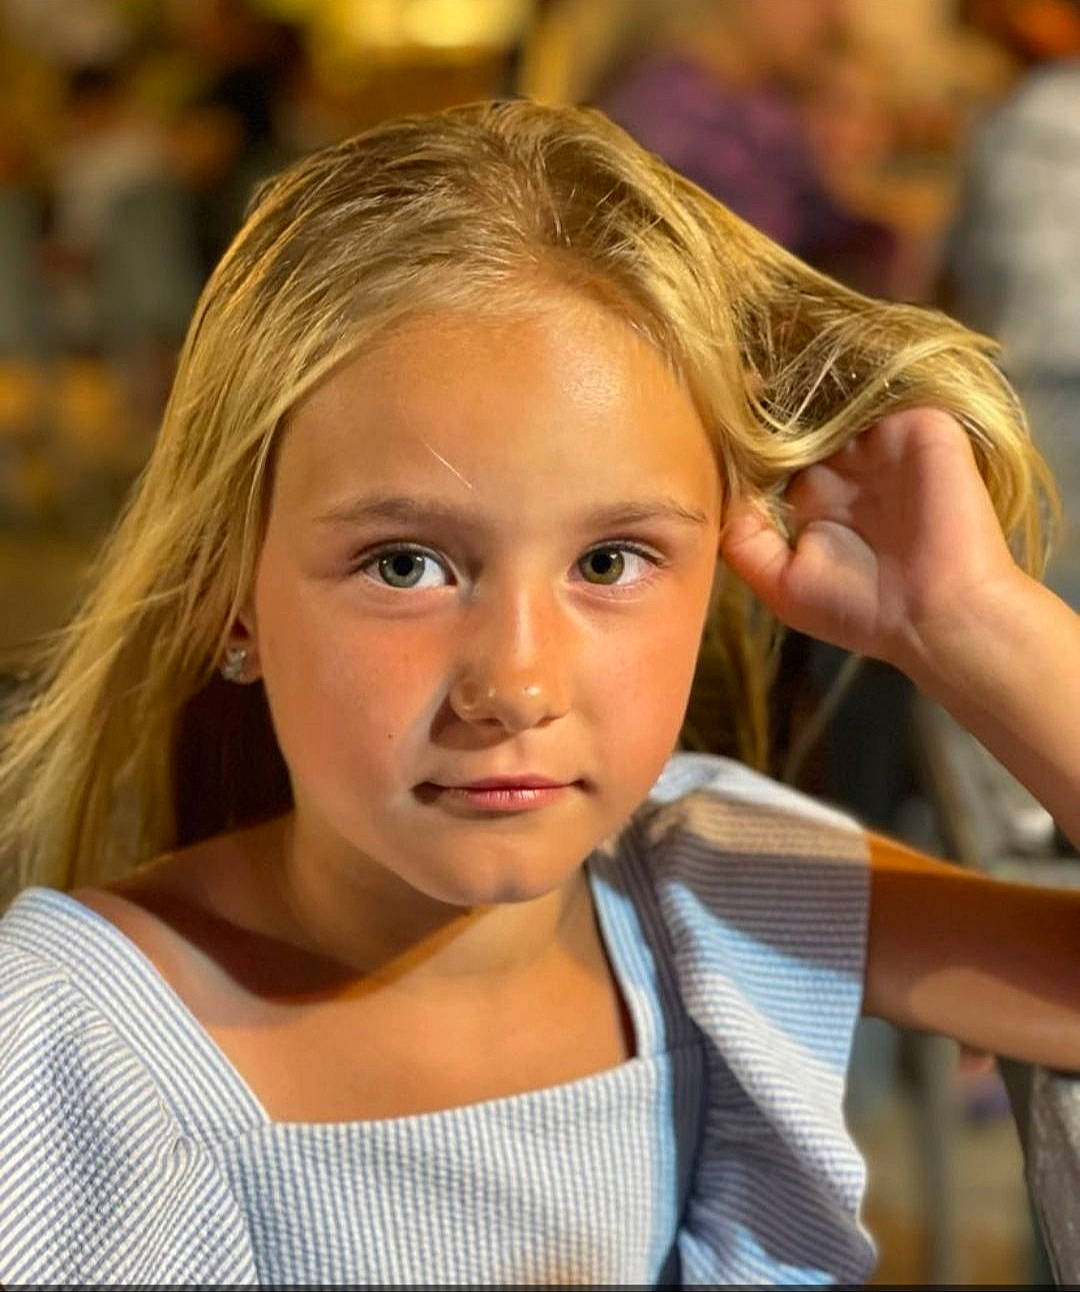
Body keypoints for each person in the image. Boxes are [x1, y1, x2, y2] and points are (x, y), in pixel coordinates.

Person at [0, 98, 1076, 1285]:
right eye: (404, 564)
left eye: (609, 562)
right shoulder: (67, 1050)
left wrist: (973, 621)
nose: (514, 683)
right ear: (231, 590)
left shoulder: (704, 888)